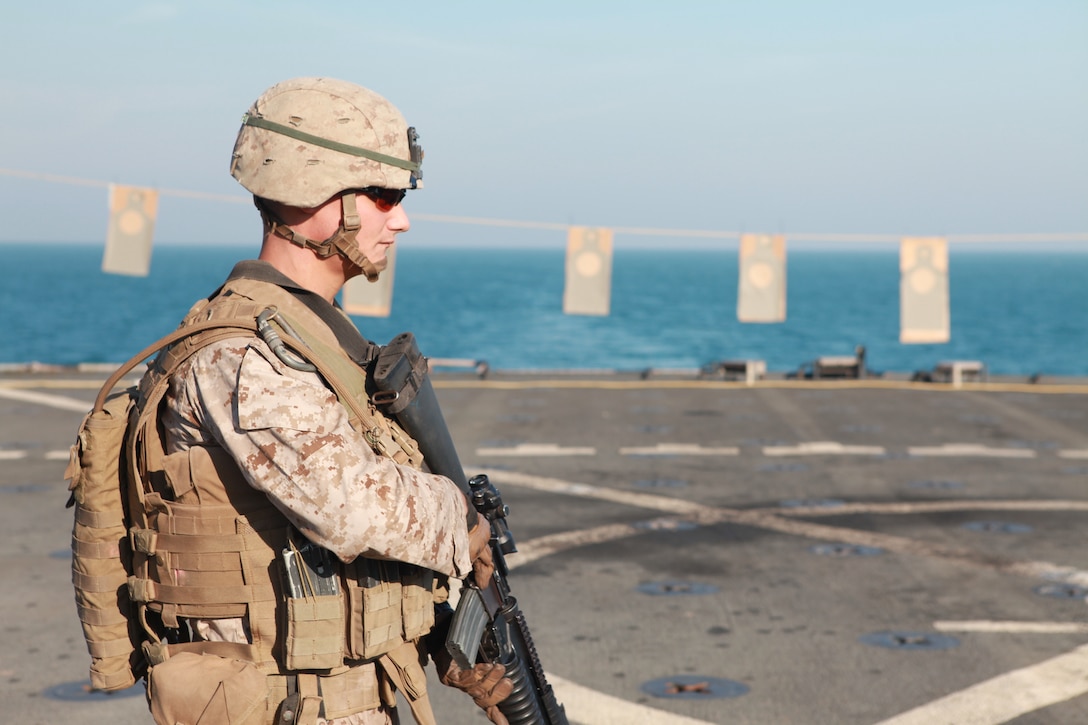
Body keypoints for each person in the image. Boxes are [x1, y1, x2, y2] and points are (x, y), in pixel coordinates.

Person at [129, 77, 512, 725]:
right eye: (386, 195)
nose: (403, 218)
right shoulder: (243, 355)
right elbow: (350, 507)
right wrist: (457, 517)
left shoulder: (312, 340)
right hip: (287, 704)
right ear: (316, 194)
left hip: (336, 696)